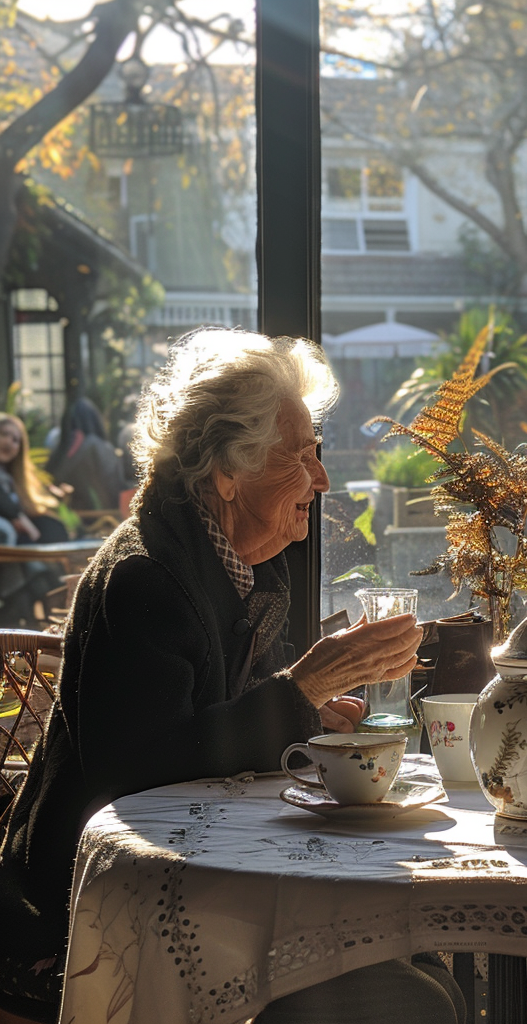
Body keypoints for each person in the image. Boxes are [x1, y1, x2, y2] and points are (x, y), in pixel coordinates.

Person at [0, 329, 464, 1024]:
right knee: (405, 997)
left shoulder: (239, 562)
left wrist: (311, 716)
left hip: (204, 872)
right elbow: (141, 773)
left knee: (418, 957)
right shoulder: (145, 578)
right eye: (303, 455)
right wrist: (299, 692)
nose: (324, 479)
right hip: (92, 900)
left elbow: (224, 721)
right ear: (227, 472)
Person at [0, 414, 69, 625]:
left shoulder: (10, 479)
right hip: (8, 558)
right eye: (3, 434)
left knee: (37, 585)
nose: (9, 442)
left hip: (19, 562)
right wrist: (16, 518)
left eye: (16, 439)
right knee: (35, 585)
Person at [44, 397, 129, 512]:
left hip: (68, 515)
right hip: (104, 516)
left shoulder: (59, 448)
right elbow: (114, 487)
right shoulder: (98, 447)